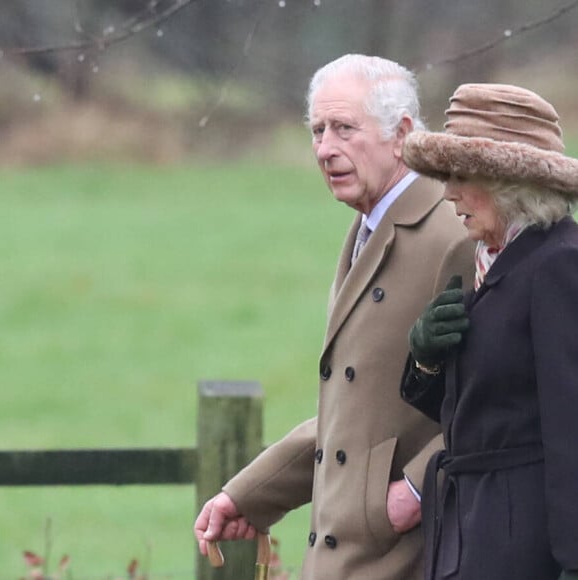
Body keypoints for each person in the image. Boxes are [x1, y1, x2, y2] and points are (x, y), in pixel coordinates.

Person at [194, 54, 474, 580]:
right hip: (345, 555)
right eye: (318, 130)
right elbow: (352, 412)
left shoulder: (452, 232)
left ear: (403, 133)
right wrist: (248, 495)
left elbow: (500, 396)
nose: (325, 149)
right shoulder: (368, 225)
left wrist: (415, 488)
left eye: (344, 129)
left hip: (408, 555)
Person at [400, 83, 578, 580]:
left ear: (509, 181)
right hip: (469, 532)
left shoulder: (559, 265)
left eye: (460, 175)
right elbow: (476, 413)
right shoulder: (492, 262)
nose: (448, 192)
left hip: (523, 549)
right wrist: (425, 358)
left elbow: (572, 427)